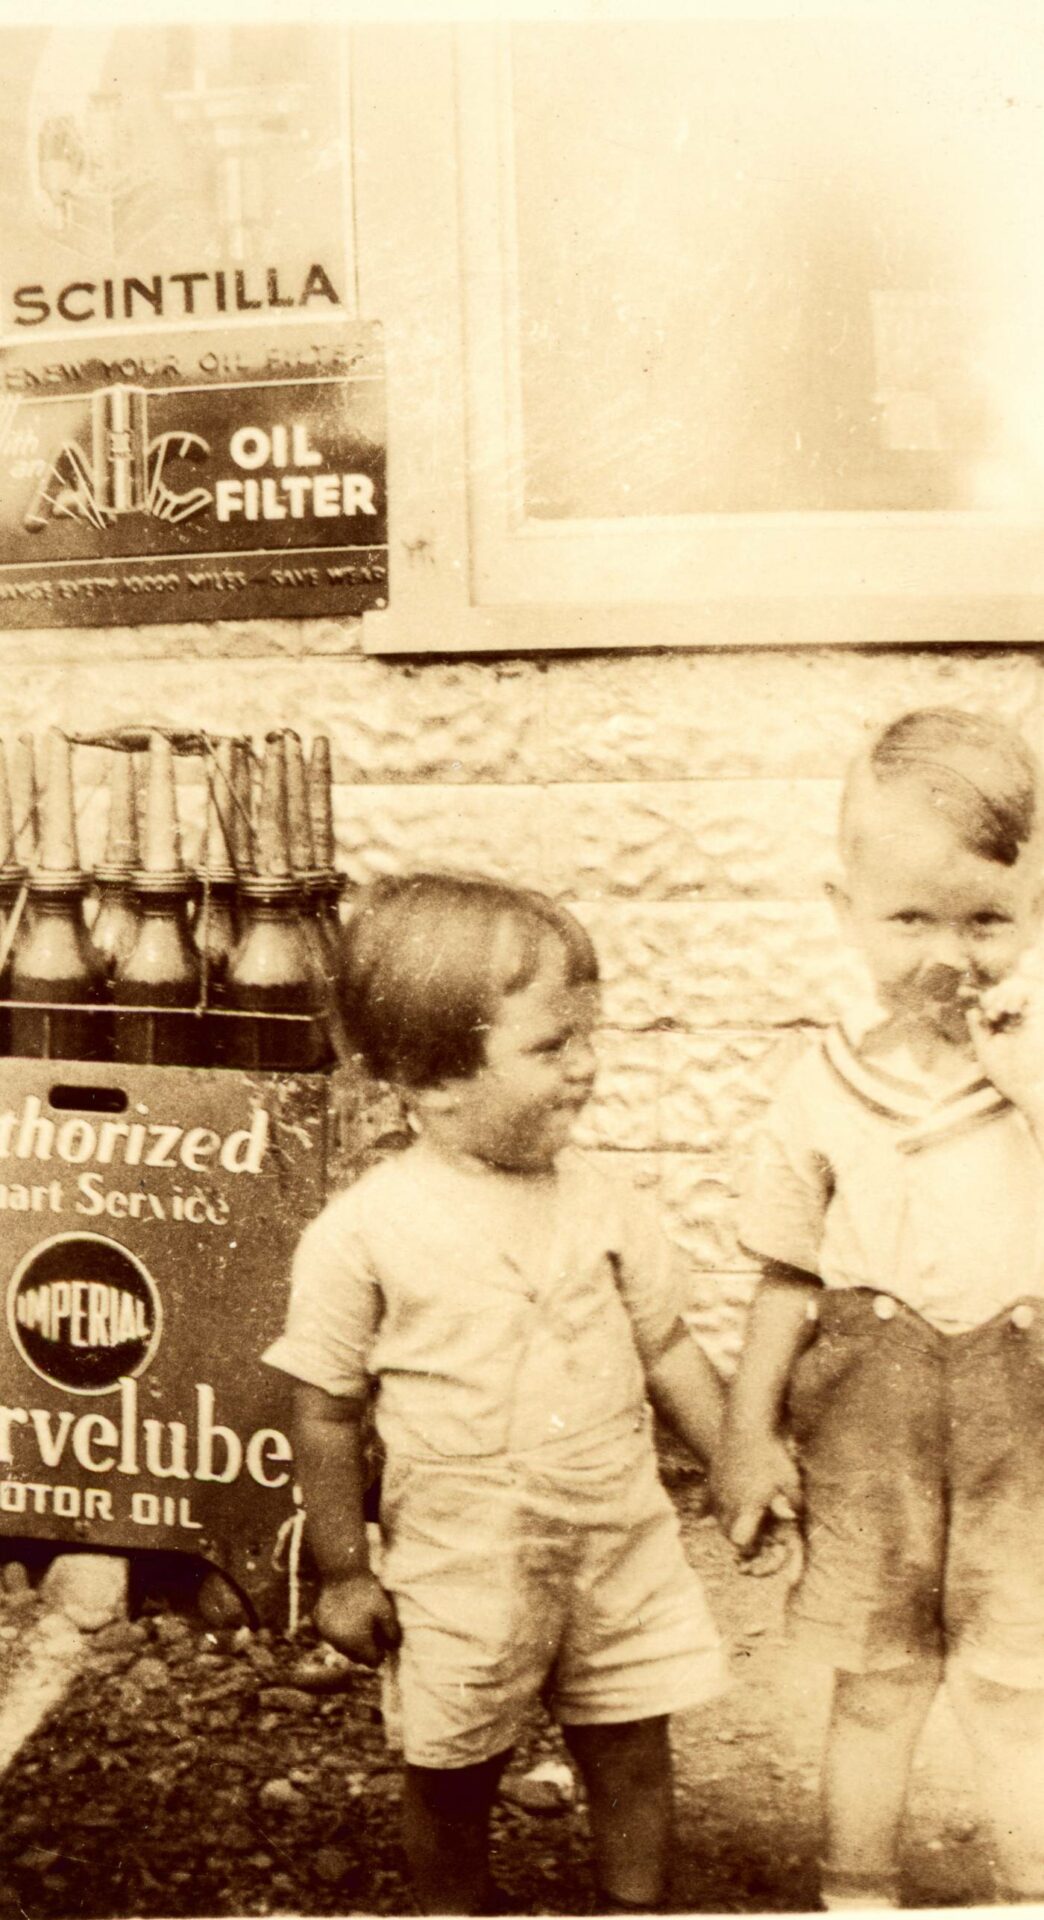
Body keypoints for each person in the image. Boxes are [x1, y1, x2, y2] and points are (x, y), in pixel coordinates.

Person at [264, 871, 727, 1915]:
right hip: (463, 1556)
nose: (588, 1067)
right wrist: (344, 1571)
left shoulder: (605, 1203)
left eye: (588, 1036)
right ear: (434, 1081)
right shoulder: (365, 1233)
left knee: (633, 1739)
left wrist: (740, 1460)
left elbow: (671, 1349)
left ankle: (636, 1900)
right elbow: (325, 1409)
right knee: (452, 1765)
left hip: (615, 1541)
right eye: (552, 1046)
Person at [713, 705, 1044, 1910]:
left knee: (1021, 1679)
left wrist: (1022, 1076)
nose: (947, 952)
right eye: (909, 917)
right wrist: (748, 1434)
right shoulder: (822, 1082)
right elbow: (787, 1277)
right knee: (876, 1673)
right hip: (872, 1419)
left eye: (987, 919)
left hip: (1026, 1421)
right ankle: (859, 1888)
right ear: (842, 907)